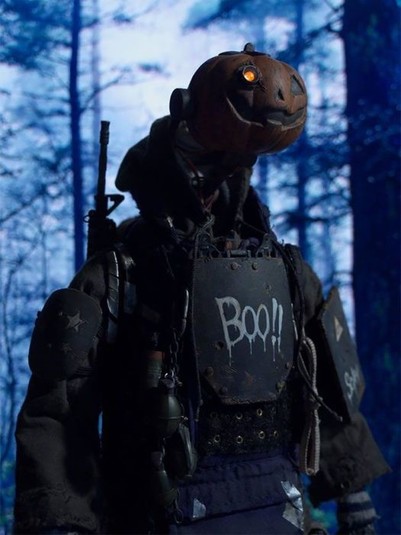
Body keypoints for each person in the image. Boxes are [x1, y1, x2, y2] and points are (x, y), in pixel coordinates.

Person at [14, 44, 389, 535]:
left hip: (278, 507)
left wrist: (353, 493)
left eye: (227, 166)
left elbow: (328, 390)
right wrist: (62, 522)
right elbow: (59, 414)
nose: (210, 180)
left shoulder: (287, 272)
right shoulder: (121, 274)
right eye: (200, 161)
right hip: (158, 514)